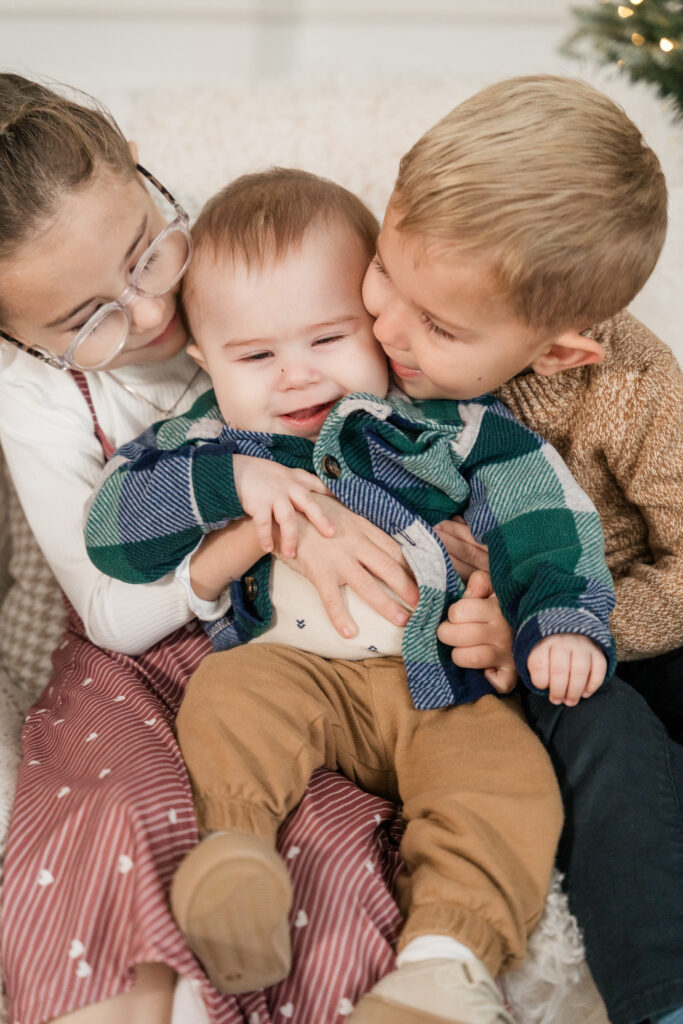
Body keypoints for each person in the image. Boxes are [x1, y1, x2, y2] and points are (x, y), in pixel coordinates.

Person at [84, 166, 622, 1024]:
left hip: (443, 688)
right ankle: (236, 866)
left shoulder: (450, 427)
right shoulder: (210, 444)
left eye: (326, 340)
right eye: (255, 356)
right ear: (205, 360)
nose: (295, 378)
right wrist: (233, 483)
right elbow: (112, 526)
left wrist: (558, 621)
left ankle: (444, 967)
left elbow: (544, 515)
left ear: (377, 325)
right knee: (227, 701)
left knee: (507, 784)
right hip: (294, 670)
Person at [0, 73, 426, 1024]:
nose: (150, 313)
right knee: (107, 819)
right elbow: (111, 612)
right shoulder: (31, 399)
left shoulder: (233, 240)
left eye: (147, 253)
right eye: (85, 320)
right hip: (134, 652)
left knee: (310, 834)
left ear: (144, 179)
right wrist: (253, 522)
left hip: (287, 647)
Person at [360, 75, 683, 1024]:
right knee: (607, 741)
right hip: (493, 667)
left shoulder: (635, 391)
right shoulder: (371, 354)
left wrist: (579, 627)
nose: (386, 328)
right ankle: (662, 993)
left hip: (609, 617)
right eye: (387, 273)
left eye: (439, 327)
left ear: (559, 352)